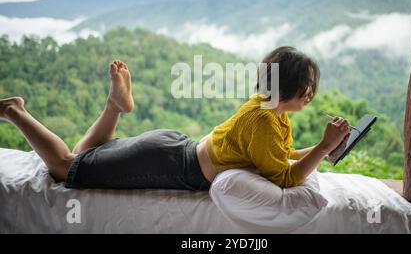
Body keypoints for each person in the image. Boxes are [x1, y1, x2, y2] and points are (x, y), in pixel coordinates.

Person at [0, 46, 350, 191]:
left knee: (83, 153)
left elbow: (280, 155)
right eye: (306, 87)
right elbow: (286, 179)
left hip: (173, 149)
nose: (310, 94)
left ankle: (115, 107)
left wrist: (324, 150)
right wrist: (322, 146)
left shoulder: (271, 112)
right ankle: (14, 110)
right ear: (286, 87)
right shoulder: (263, 120)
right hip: (172, 164)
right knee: (65, 167)